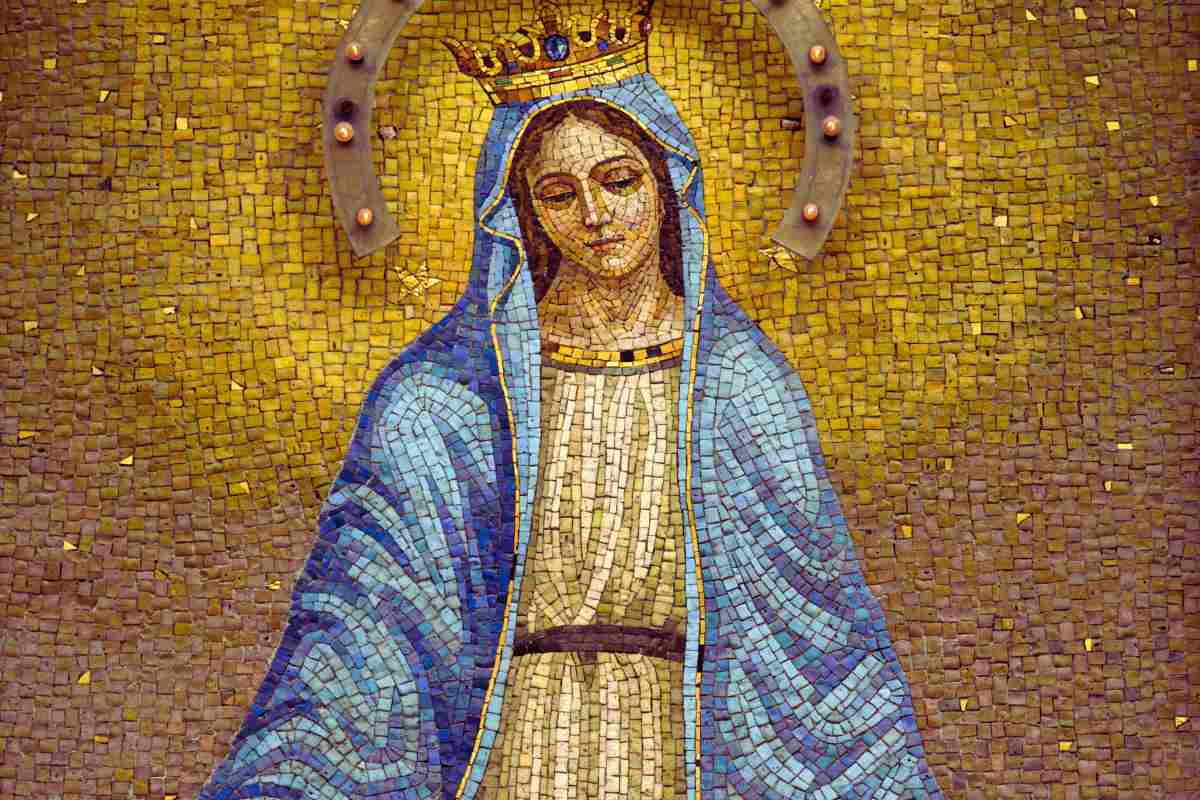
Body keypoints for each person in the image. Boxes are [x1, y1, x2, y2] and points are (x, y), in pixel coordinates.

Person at [198, 7, 944, 799]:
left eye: (619, 180)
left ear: (668, 180)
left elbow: (817, 643)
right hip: (517, 746)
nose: (594, 216)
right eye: (558, 194)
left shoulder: (741, 382)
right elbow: (367, 635)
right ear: (520, 213)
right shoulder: (443, 397)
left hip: (685, 746)